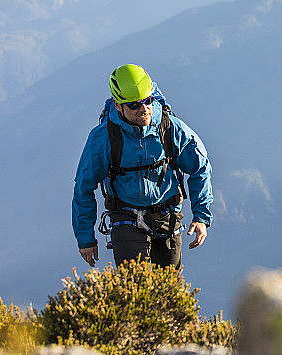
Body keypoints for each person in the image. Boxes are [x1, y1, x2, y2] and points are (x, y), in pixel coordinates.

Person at [72, 63, 213, 269]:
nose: (144, 109)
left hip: (168, 215)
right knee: (134, 286)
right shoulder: (103, 138)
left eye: (148, 101)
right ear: (118, 105)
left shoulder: (171, 128)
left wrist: (201, 217)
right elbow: (83, 186)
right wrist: (85, 238)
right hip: (126, 216)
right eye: (134, 105)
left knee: (168, 292)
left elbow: (200, 167)